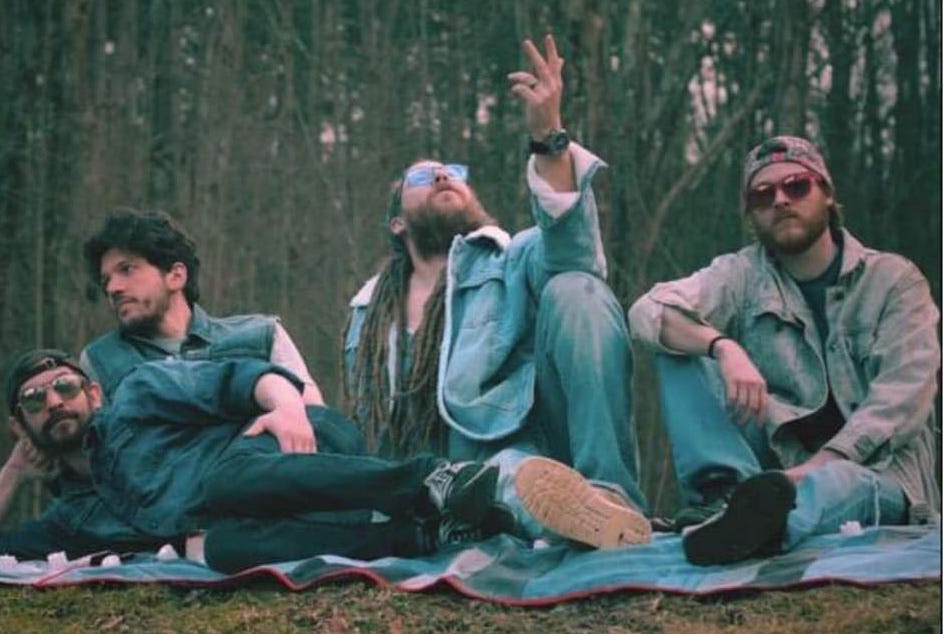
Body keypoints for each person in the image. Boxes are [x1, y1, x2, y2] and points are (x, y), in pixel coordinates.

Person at [342, 35, 650, 542]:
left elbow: (576, 256)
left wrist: (548, 136)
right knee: (492, 482)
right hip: (436, 478)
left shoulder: (513, 257)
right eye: (422, 176)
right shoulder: (368, 316)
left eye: (452, 172)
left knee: (577, 291)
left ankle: (607, 500)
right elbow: (375, 425)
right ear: (397, 223)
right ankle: (562, 520)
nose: (443, 176)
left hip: (532, 448)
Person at [2, 349, 644, 571]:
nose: (53, 401)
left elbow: (235, 376)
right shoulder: (76, 516)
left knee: (222, 482)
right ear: (21, 424)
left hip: (292, 441)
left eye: (64, 386)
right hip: (270, 509)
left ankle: (455, 480)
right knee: (217, 548)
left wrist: (286, 405)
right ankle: (444, 528)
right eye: (35, 399)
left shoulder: (138, 396)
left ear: (92, 393)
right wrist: (12, 474)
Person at [627, 135, 940, 566]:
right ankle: (721, 499)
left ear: (826, 194)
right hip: (769, 472)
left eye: (796, 186)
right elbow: (648, 312)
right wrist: (722, 346)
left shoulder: (894, 281)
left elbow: (901, 400)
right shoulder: (742, 275)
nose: (780, 200)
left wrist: (815, 468)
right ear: (751, 213)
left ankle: (751, 531)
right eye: (763, 194)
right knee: (679, 346)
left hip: (875, 474)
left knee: (833, 486)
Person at [80, 208, 322, 412]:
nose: (112, 288)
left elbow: (318, 422)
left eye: (127, 269)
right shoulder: (101, 360)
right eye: (105, 281)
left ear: (176, 276)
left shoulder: (261, 336)